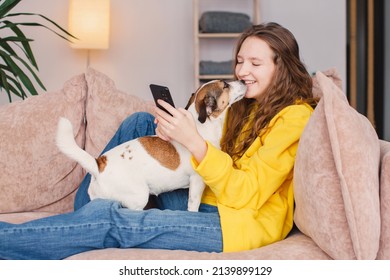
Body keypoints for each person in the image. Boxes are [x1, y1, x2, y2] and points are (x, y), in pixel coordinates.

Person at [0, 22, 317, 259]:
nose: (242, 71)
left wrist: (193, 143)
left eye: (255, 63)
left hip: (238, 222)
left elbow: (247, 193)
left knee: (118, 222)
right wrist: (177, 131)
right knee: (139, 123)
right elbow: (206, 137)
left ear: (282, 67)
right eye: (240, 60)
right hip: (204, 195)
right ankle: (84, 216)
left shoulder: (294, 118)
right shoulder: (248, 103)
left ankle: (64, 227)